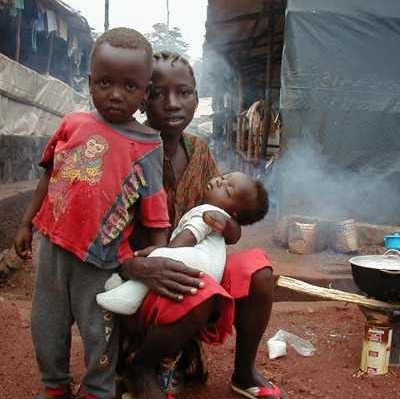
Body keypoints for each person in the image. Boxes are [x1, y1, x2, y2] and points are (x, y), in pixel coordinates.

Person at [13, 28, 176, 399]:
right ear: (89, 82)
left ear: (145, 91)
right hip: (53, 248)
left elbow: (155, 209)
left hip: (100, 260)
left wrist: (159, 252)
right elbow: (49, 176)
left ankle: (98, 391)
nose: (116, 94)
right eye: (105, 82)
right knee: (46, 324)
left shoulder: (148, 145)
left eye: (130, 86)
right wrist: (26, 224)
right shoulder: (73, 123)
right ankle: (54, 386)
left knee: (99, 331)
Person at [117, 51, 288, 399]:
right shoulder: (125, 152)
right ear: (142, 99)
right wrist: (135, 265)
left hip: (190, 266)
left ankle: (244, 373)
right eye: (157, 93)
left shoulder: (198, 148)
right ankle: (141, 368)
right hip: (140, 274)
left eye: (184, 92)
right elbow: (102, 230)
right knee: (203, 291)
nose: (172, 103)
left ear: (197, 97)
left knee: (259, 272)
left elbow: (225, 217)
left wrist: (228, 228)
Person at [96, 171, 269, 316]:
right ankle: (127, 292)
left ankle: (127, 297)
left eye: (227, 191)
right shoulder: (214, 214)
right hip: (208, 270)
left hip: (199, 264)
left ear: (234, 213)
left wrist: (166, 251)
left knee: (157, 258)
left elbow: (190, 236)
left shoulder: (207, 213)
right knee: (155, 263)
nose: (218, 182)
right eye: (223, 177)